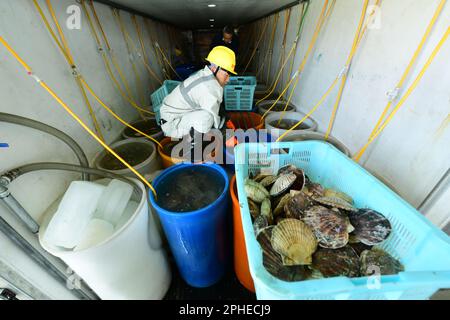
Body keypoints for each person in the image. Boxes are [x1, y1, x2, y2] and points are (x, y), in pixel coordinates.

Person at [159, 46, 236, 144]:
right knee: (207, 118)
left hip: (176, 114)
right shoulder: (209, 87)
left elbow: (215, 105)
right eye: (227, 73)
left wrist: (225, 118)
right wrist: (227, 133)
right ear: (214, 68)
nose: (228, 79)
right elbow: (217, 124)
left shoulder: (205, 74)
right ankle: (193, 149)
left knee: (209, 116)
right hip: (171, 123)